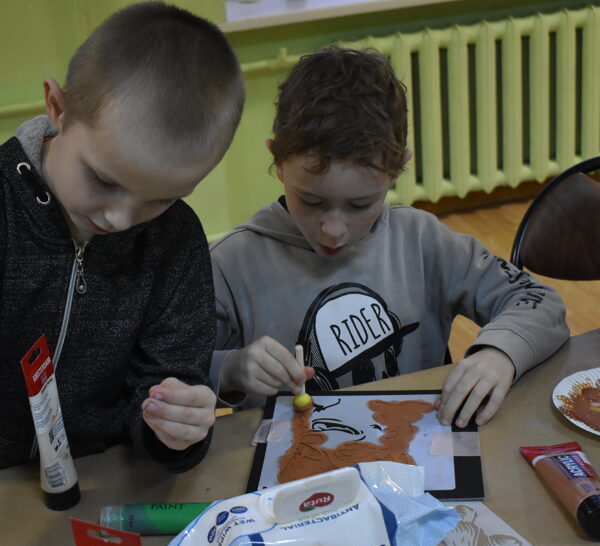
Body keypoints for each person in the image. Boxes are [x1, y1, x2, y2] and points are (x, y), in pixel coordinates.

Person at [209, 45, 569, 428]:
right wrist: (229, 369)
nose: (333, 230)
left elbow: (540, 302)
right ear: (278, 162)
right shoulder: (230, 266)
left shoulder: (423, 240)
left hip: (415, 448)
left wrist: (499, 354)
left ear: (396, 172)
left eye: (360, 204)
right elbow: (167, 372)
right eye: (312, 201)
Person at [0, 2, 245, 471]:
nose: (118, 218)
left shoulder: (175, 240)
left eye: (160, 199)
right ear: (58, 108)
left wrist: (175, 428)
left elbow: (166, 383)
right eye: (103, 180)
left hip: (107, 476)